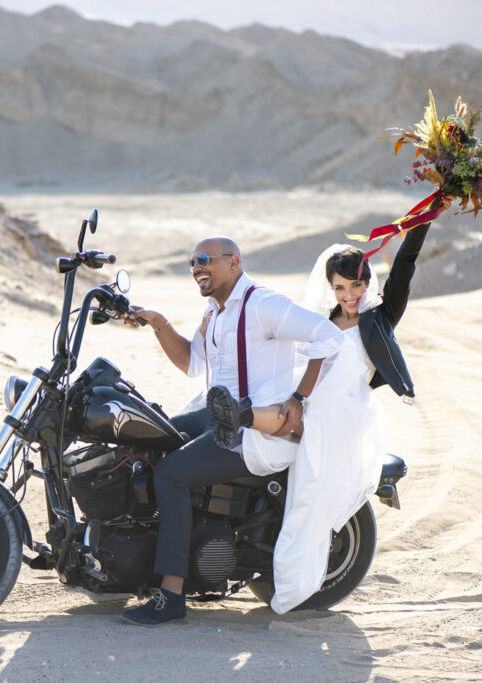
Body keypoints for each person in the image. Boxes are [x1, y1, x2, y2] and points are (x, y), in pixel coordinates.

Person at [205, 212, 441, 612]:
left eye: (357, 285)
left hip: (345, 413)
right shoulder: (324, 319)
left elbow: (405, 265)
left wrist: (429, 213)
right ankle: (241, 417)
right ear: (330, 287)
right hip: (314, 400)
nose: (350, 295)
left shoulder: (379, 318)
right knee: (287, 410)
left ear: (368, 283)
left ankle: (241, 417)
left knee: (301, 439)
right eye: (340, 287)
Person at [118, 236, 345, 625]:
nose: (196, 268)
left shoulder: (263, 304)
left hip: (250, 428)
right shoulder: (216, 313)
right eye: (192, 262)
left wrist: (298, 398)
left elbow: (328, 336)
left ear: (234, 262)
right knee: (146, 436)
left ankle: (171, 595)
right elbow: (192, 362)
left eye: (204, 260)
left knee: (171, 475)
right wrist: (158, 322)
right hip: (214, 416)